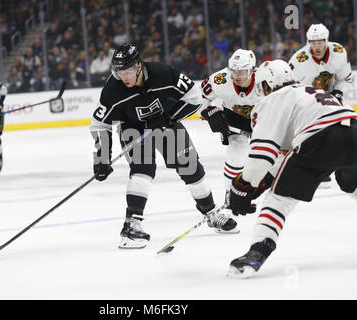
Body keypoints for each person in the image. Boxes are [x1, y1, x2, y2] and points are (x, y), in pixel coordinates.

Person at [89, 43, 238, 249]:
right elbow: (100, 123)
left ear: (140, 65)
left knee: (190, 166)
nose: (124, 76)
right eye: (119, 71)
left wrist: (169, 117)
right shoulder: (113, 89)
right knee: (143, 168)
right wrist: (102, 157)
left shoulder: (163, 73)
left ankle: (211, 213)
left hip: (166, 122)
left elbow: (194, 97)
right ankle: (132, 224)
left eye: (129, 70)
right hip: (132, 128)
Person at [227, 60, 357, 278]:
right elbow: (285, 154)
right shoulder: (310, 92)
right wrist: (265, 178)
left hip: (321, 140)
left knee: (278, 200)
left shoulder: (274, 99)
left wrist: (243, 185)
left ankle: (258, 251)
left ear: (267, 85)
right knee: (354, 186)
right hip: (353, 129)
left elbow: (263, 152)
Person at [199, 49, 276, 214]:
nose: (237, 75)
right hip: (235, 120)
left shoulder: (267, 80)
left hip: (263, 120)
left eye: (242, 71)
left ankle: (271, 195)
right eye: (234, 70)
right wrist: (209, 112)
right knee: (236, 153)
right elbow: (200, 99)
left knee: (270, 160)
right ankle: (230, 196)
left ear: (252, 70)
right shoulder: (219, 80)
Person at [289, 23, 353, 188]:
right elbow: (291, 89)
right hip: (306, 99)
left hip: (331, 96)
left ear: (326, 40)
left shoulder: (338, 52)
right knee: (312, 133)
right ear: (308, 42)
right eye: (313, 42)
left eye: (320, 42)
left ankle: (336, 166)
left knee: (343, 129)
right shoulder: (298, 60)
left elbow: (345, 79)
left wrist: (338, 92)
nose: (316, 46)